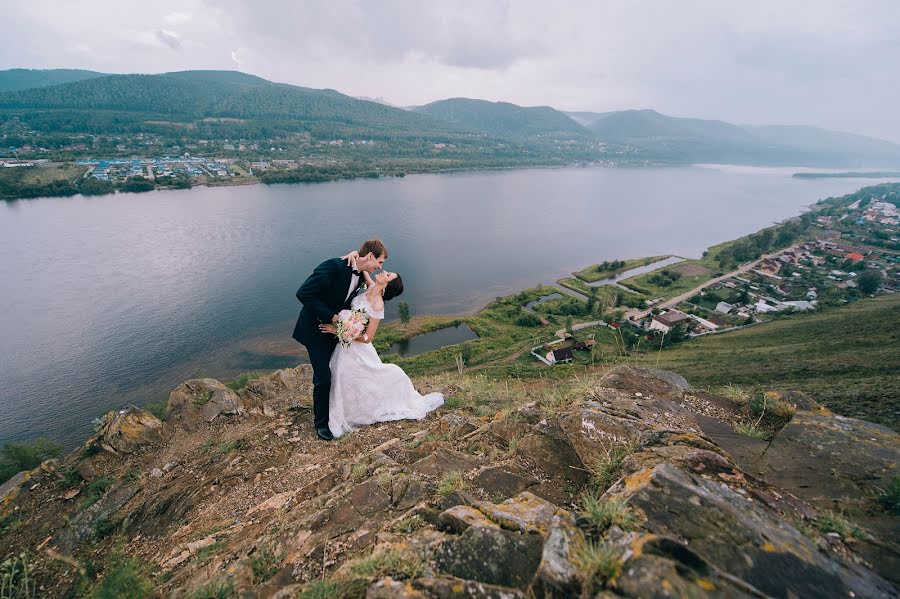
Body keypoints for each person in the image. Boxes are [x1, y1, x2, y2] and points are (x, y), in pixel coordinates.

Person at [319, 256, 444, 438]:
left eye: (388, 275)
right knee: (342, 377)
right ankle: (345, 409)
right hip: (345, 347)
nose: (384, 272)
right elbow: (363, 270)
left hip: (358, 349)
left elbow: (368, 337)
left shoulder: (377, 305)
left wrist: (339, 331)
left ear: (387, 285)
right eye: (386, 271)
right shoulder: (371, 286)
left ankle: (353, 413)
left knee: (351, 378)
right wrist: (356, 255)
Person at [292, 240, 387, 440]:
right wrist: (332, 317)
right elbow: (303, 293)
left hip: (336, 333)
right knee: (323, 378)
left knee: (340, 374)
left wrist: (342, 328)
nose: (380, 267)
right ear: (369, 256)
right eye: (379, 262)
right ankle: (321, 424)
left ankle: (343, 412)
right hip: (316, 330)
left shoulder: (361, 272)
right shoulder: (333, 266)